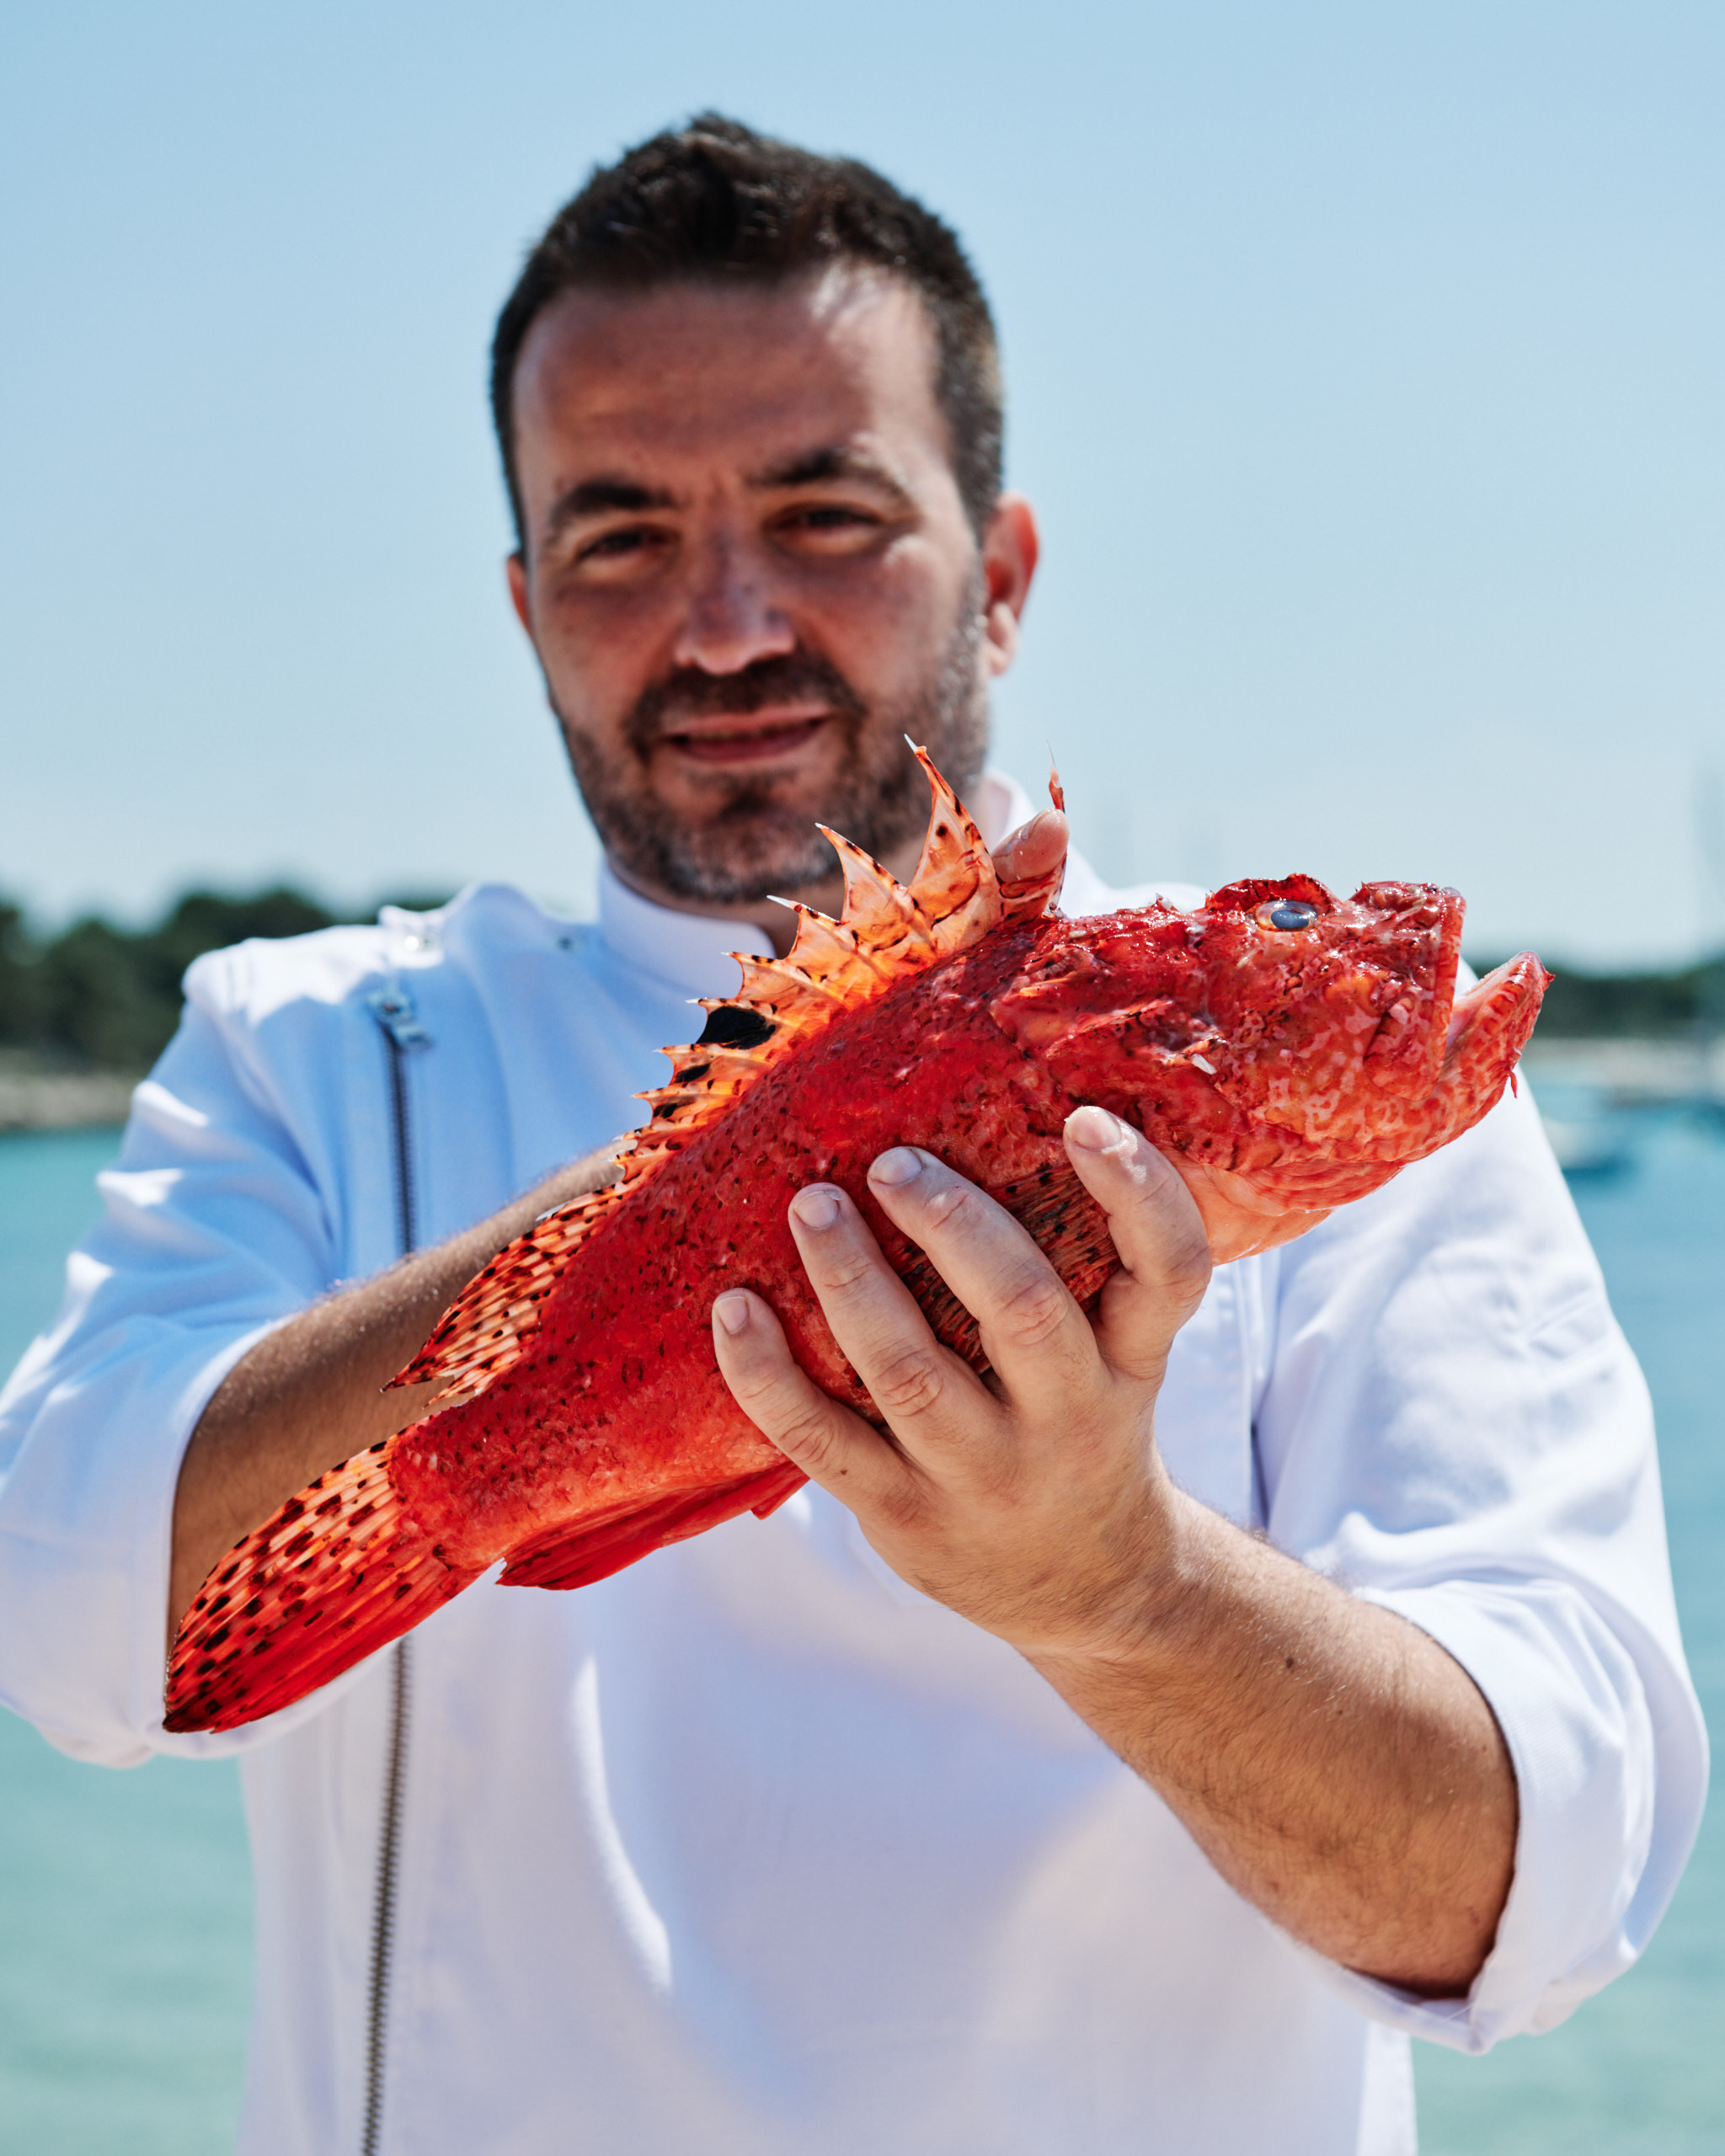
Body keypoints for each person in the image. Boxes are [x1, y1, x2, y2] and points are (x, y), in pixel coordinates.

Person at [0, 116, 1705, 2156]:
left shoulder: (1304, 1093)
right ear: (529, 603)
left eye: (825, 515)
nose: (724, 621)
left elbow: (1548, 1886)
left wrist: (1119, 1585)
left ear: (1000, 574)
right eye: (620, 536)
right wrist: (712, 1189)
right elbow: (60, 1622)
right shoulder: (310, 1039)